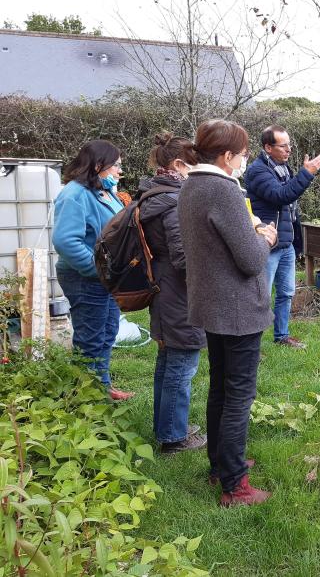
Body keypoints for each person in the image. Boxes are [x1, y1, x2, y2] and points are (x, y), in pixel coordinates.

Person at [177, 119, 278, 507]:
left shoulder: (191, 185)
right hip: (236, 308)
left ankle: (220, 464)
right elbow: (252, 260)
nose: (243, 160)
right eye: (242, 153)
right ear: (226, 155)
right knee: (238, 395)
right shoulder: (224, 190)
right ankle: (235, 485)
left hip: (210, 303)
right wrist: (264, 237)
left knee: (220, 387)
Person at [138, 133, 207, 454]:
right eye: (195, 165)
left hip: (164, 290)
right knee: (182, 364)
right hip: (179, 294)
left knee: (168, 362)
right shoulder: (175, 201)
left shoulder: (156, 193)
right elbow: (184, 258)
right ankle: (173, 437)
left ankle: (166, 425)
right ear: (179, 165)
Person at [53, 140, 134, 401]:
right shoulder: (74, 194)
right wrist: (96, 269)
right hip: (84, 277)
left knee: (107, 332)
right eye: (116, 166)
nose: (120, 172)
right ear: (98, 165)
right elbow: (66, 240)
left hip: (105, 278)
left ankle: (102, 388)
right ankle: (84, 398)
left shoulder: (101, 190)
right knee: (90, 339)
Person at [244, 124, 320, 349]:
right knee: (261, 297)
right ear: (268, 147)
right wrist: (306, 174)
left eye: (290, 144)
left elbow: (290, 206)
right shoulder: (258, 171)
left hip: (285, 244)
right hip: (267, 245)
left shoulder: (283, 169)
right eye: (284, 145)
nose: (289, 149)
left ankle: (282, 336)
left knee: (286, 293)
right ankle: (250, 345)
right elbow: (281, 195)